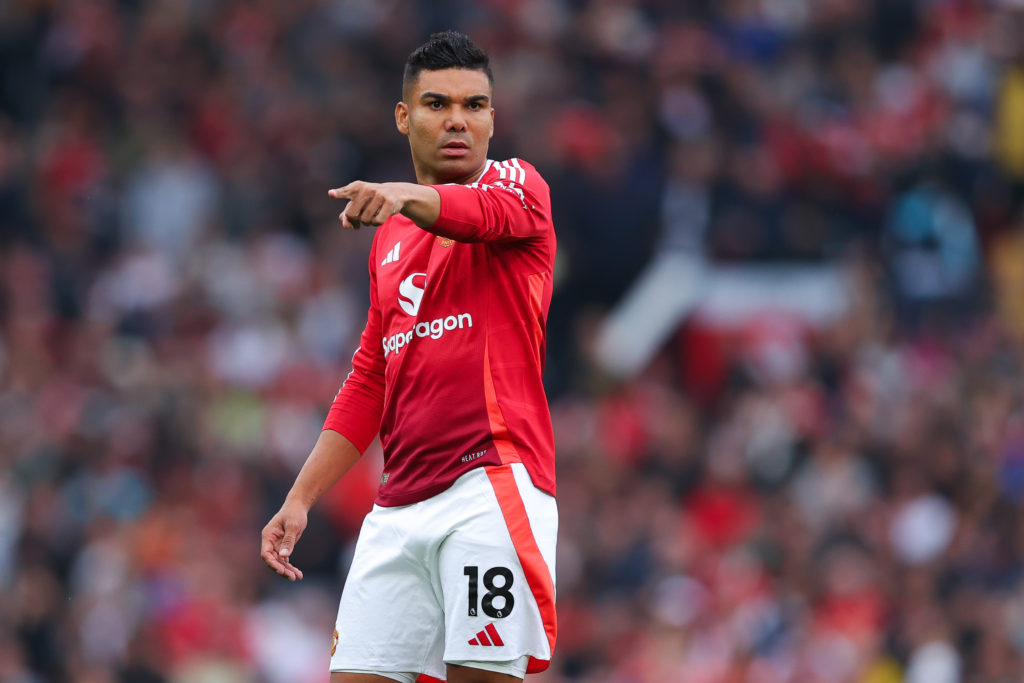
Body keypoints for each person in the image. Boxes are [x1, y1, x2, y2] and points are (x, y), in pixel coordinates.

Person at [260, 31, 558, 683]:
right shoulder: (389, 239)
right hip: (398, 507)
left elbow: (472, 213)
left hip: (490, 485)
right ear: (404, 116)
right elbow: (371, 376)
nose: (458, 119)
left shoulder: (517, 185)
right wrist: (302, 497)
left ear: (491, 118)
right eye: (437, 103)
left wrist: (401, 194)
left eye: (474, 105)